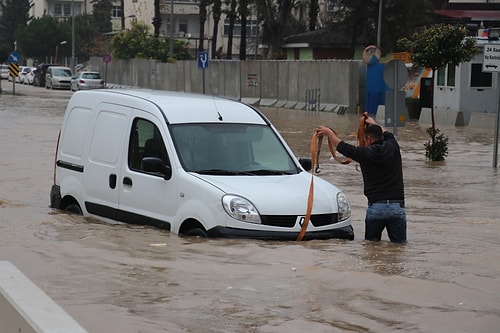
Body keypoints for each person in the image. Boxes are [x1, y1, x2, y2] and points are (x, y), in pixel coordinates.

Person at [315, 116, 406, 243]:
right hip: (397, 207)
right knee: (399, 248)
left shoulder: (364, 153)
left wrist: (328, 133)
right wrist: (373, 123)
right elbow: (386, 132)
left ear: (368, 139)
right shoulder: (393, 146)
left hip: (376, 207)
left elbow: (342, 147)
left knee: (371, 248)